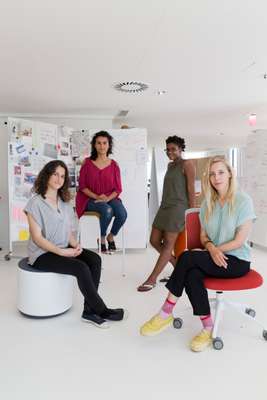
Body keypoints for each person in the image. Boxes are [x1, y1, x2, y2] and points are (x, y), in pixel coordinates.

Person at [140, 156, 256, 352]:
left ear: (229, 174)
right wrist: (211, 248)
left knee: (186, 257)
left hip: (236, 260)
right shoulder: (207, 203)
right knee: (192, 273)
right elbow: (203, 237)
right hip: (212, 255)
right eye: (212, 174)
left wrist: (215, 249)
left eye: (220, 172)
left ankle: (166, 312)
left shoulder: (243, 201)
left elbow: (239, 241)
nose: (216, 177)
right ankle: (207, 327)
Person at [24, 160, 127, 328]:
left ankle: (89, 311)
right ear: (47, 175)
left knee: (95, 259)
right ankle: (101, 310)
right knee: (80, 268)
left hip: (63, 247)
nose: (59, 179)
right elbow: (37, 238)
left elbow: (69, 231)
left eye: (63, 176)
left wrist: (75, 245)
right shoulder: (35, 203)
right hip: (42, 254)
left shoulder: (64, 202)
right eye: (55, 174)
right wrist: (62, 252)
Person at [137, 136, 196, 291]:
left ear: (181, 149)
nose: (170, 152)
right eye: (167, 149)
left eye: (173, 149)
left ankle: (152, 279)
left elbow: (191, 190)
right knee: (154, 240)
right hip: (164, 208)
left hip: (178, 209)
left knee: (168, 245)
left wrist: (193, 214)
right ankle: (178, 266)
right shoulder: (170, 166)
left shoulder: (187, 164)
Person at [76, 131, 127, 253]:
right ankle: (102, 238)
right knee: (107, 210)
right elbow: (82, 186)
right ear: (94, 145)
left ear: (109, 145)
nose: (102, 146)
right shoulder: (87, 163)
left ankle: (111, 236)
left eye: (105, 143)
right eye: (98, 143)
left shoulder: (114, 165)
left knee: (122, 214)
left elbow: (118, 189)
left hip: (110, 198)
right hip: (88, 198)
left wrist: (107, 198)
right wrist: (97, 196)